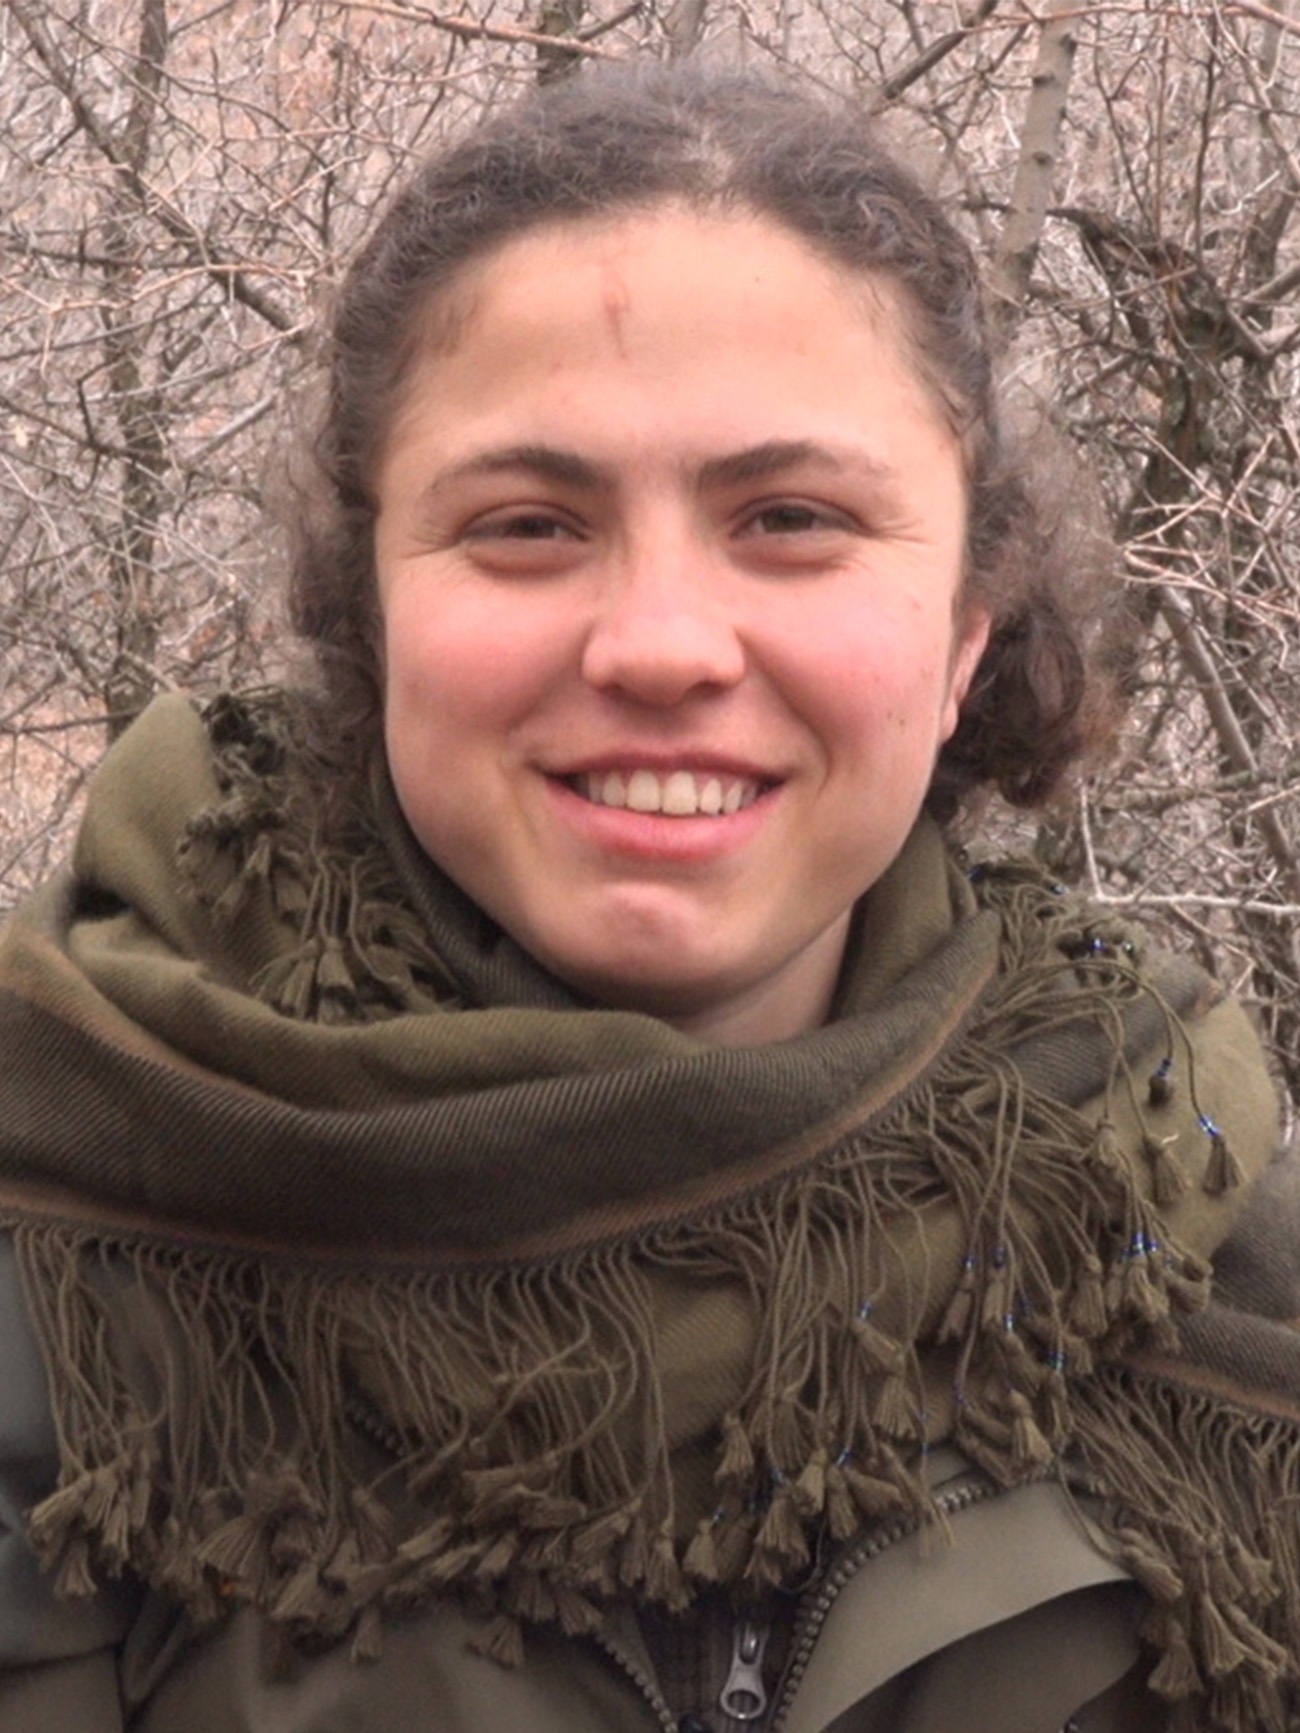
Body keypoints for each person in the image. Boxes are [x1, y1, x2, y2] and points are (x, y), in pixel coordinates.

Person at [0, 58, 1297, 1733]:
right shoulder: (56, 1254)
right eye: (531, 524)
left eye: (792, 518)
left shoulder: (1190, 1231)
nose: (663, 646)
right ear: (374, 611)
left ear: (967, 628)